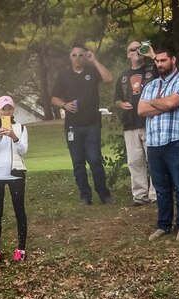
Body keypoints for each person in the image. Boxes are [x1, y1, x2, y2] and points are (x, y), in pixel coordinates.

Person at [139, 44, 179, 240]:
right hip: (154, 143)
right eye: (157, 61)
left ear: (173, 60)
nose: (159, 64)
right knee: (161, 187)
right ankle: (163, 225)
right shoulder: (151, 85)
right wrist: (164, 103)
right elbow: (140, 110)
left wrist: (154, 102)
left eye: (163, 60)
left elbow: (173, 103)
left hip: (176, 141)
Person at [49, 44, 113, 205]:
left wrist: (95, 60)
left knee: (94, 160)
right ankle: (85, 195)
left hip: (92, 124)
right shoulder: (64, 76)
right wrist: (64, 105)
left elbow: (108, 78)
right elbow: (53, 98)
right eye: (74, 55)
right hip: (73, 126)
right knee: (78, 163)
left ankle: (103, 194)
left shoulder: (92, 71)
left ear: (85, 56)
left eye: (80, 55)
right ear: (69, 57)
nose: (77, 58)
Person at [0, 96, 29, 263]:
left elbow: (24, 151)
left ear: (13, 110)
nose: (7, 112)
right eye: (3, 109)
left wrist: (14, 137)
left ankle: (21, 249)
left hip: (16, 175)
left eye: (9, 108)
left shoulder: (21, 128)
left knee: (19, 211)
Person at [114, 41, 156, 206]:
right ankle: (140, 196)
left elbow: (168, 72)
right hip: (130, 123)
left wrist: (151, 54)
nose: (137, 51)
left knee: (153, 159)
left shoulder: (153, 69)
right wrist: (121, 104)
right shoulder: (123, 76)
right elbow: (117, 98)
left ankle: (155, 195)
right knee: (134, 161)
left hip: (150, 121)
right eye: (133, 49)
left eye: (140, 48)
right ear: (127, 54)